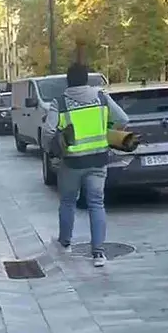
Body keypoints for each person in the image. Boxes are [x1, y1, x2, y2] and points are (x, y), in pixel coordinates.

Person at [43, 63, 130, 267]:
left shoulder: (61, 103)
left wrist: (52, 149)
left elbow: (48, 131)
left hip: (72, 163)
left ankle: (65, 243)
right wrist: (106, 131)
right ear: (86, 80)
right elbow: (123, 119)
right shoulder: (101, 98)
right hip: (99, 160)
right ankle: (98, 254)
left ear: (68, 81)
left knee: (68, 202)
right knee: (96, 204)